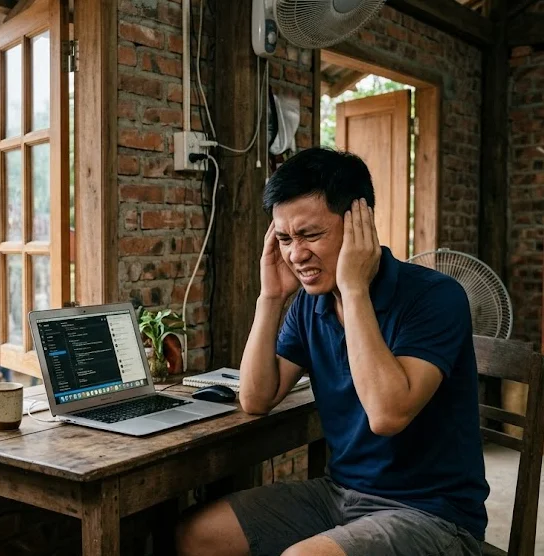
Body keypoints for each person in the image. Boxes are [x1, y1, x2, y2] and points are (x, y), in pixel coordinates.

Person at [175, 148, 489, 556]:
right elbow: (255, 399)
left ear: (361, 224)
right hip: (339, 496)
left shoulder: (435, 297)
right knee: (195, 535)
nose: (295, 254)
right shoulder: (309, 303)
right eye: (285, 238)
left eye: (310, 235)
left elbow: (387, 414)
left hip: (434, 514)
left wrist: (354, 288)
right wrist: (270, 298)